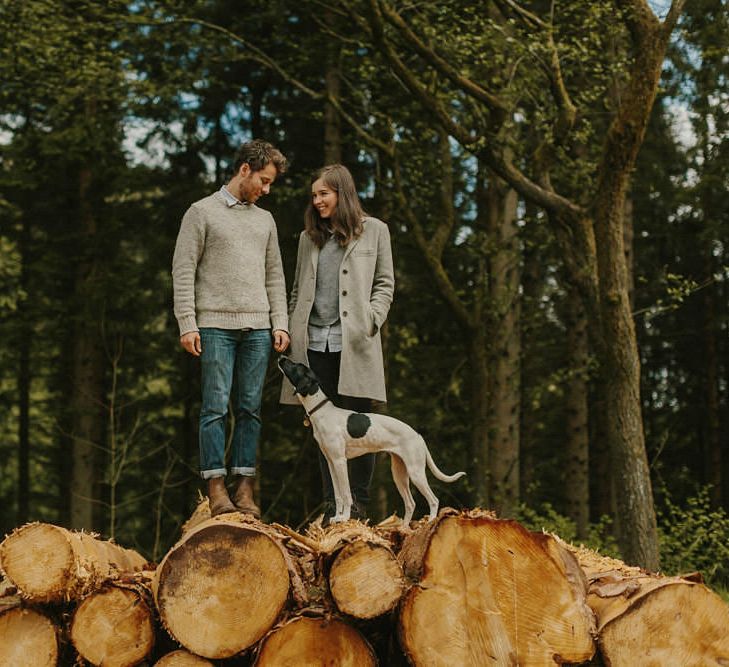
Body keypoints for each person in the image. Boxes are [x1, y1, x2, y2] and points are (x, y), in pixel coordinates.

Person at [172, 139, 290, 517]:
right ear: (245, 170)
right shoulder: (201, 212)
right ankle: (216, 487)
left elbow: (275, 275)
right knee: (214, 408)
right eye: (264, 181)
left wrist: (280, 323)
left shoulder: (265, 220)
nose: (266, 190)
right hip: (214, 326)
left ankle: (244, 488)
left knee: (250, 409)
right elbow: (183, 270)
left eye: (271, 184)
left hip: (257, 328)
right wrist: (187, 323)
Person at [280, 164, 394, 520]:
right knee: (324, 428)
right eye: (314, 196)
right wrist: (289, 327)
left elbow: (385, 284)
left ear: (342, 194)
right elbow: (298, 289)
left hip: (356, 345)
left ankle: (358, 506)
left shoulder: (374, 231)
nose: (316, 202)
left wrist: (372, 319)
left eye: (323, 194)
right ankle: (335, 507)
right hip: (314, 344)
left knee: (364, 426)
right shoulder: (307, 238)